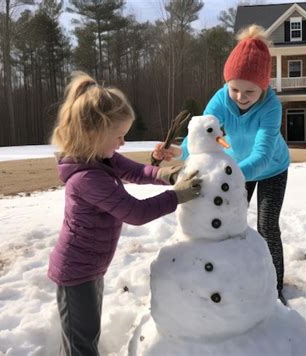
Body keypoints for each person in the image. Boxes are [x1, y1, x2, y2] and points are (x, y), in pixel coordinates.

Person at [48, 71, 202, 356]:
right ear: (92, 134)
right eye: (118, 136)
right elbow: (135, 212)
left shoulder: (99, 157)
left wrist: (166, 174)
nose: (122, 143)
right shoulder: (86, 179)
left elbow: (135, 170)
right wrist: (177, 196)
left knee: (84, 336)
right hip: (76, 271)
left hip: (90, 266)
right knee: (81, 344)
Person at [152, 25, 290, 305]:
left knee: (267, 224)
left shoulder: (271, 107)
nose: (240, 96)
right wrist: (177, 152)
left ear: (263, 85)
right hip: (238, 167)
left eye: (249, 90)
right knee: (231, 221)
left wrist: (230, 175)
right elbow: (202, 140)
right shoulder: (219, 101)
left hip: (272, 168)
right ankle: (236, 280)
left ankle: (274, 289)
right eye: (235, 88)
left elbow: (263, 155)